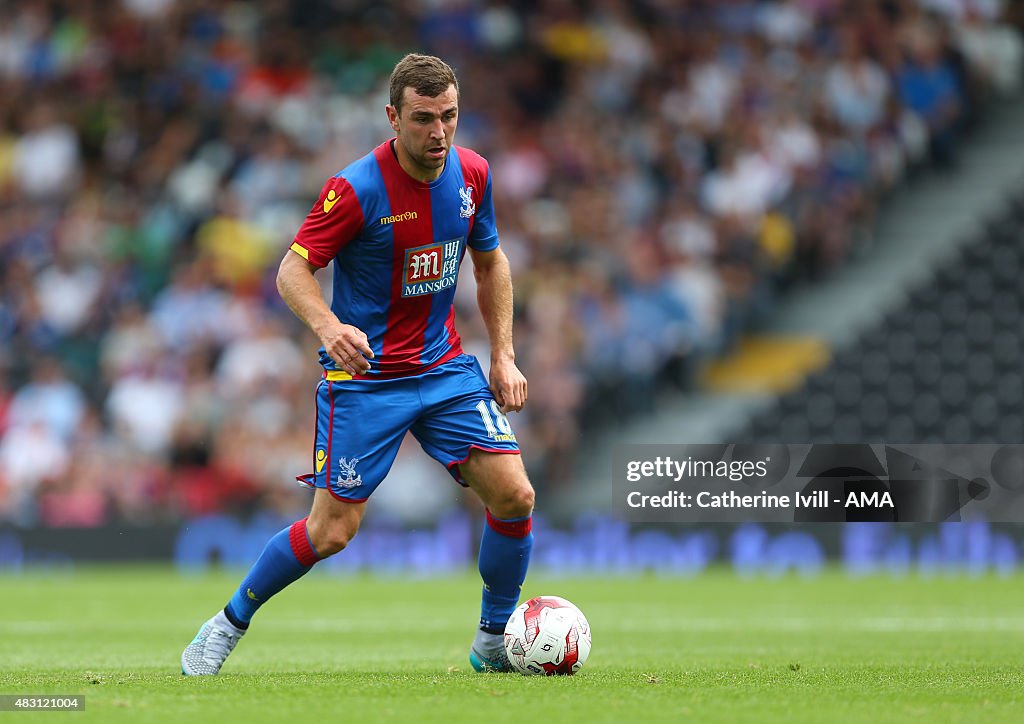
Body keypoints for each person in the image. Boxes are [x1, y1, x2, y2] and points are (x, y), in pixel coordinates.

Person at [181, 54, 534, 675]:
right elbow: (293, 268)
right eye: (424, 119)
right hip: (366, 381)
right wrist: (329, 325)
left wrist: (503, 353)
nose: (439, 133)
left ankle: (493, 641)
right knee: (331, 534)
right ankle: (226, 624)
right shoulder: (355, 188)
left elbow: (491, 261)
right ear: (393, 116)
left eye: (449, 117)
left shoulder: (474, 172)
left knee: (514, 495)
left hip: (444, 368)